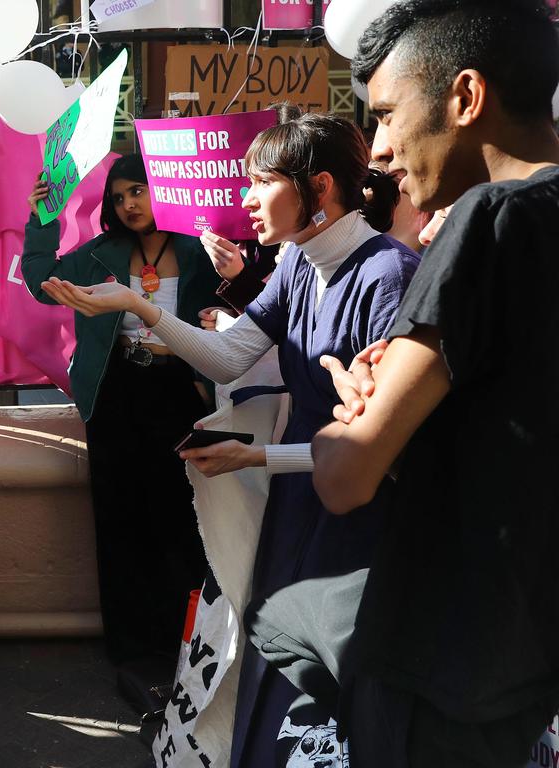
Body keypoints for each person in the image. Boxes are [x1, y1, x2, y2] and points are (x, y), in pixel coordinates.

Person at [39, 115, 418, 766]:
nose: (243, 198)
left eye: (261, 182)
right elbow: (227, 358)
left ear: (319, 187)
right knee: (275, 668)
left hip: (359, 522)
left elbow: (387, 453)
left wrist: (260, 456)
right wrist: (139, 307)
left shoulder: (389, 276)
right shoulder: (299, 259)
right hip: (299, 500)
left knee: (336, 702)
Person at [257, 1, 559, 766]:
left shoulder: (487, 220)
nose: (382, 151)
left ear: (465, 97)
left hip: (436, 660)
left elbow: (348, 479)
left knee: (279, 618)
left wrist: (346, 421)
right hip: (526, 652)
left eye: (387, 116)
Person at [23, 154, 222, 667]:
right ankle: (131, 653)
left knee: (181, 519)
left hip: (183, 392)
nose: (129, 204)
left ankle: (186, 644)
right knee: (119, 520)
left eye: (138, 190)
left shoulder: (202, 248)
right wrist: (45, 219)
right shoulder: (103, 251)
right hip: (115, 393)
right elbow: (41, 280)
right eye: (118, 197)